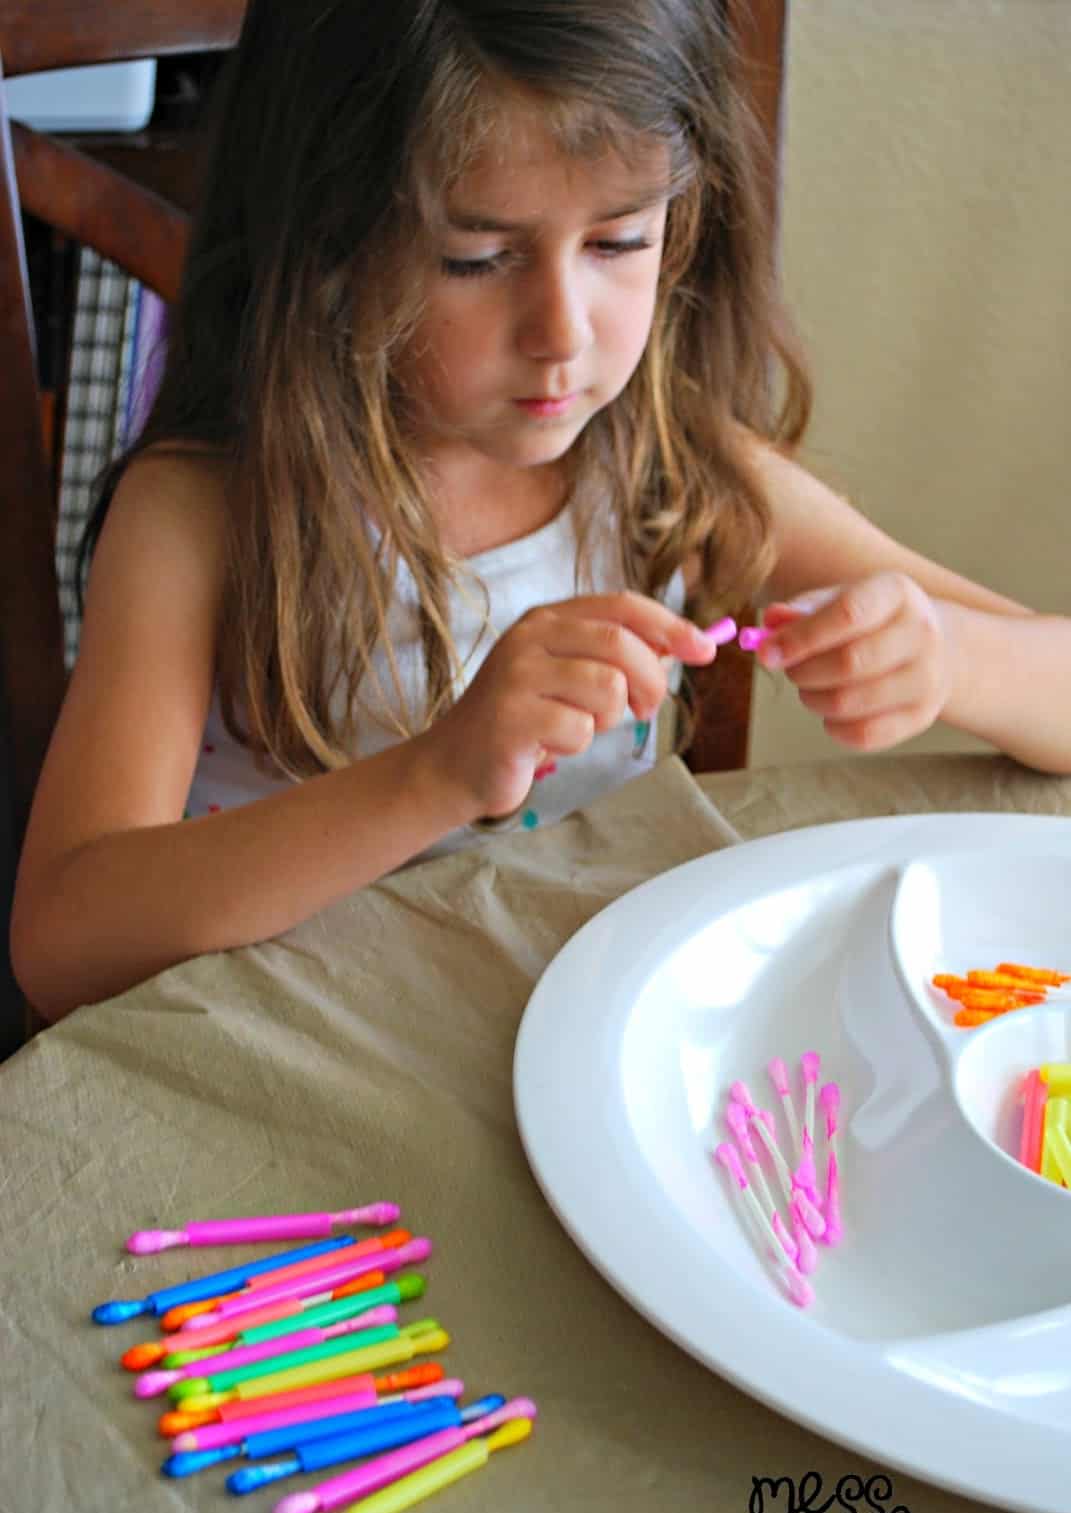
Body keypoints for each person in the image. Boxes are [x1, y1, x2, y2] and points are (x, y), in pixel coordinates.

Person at [11, 0, 1071, 1023]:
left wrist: (949, 657)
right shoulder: (204, 516)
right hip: (284, 1058)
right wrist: (437, 772)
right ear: (332, 238)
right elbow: (65, 942)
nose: (563, 332)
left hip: (571, 1047)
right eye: (478, 257)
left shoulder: (673, 468)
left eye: (618, 242)